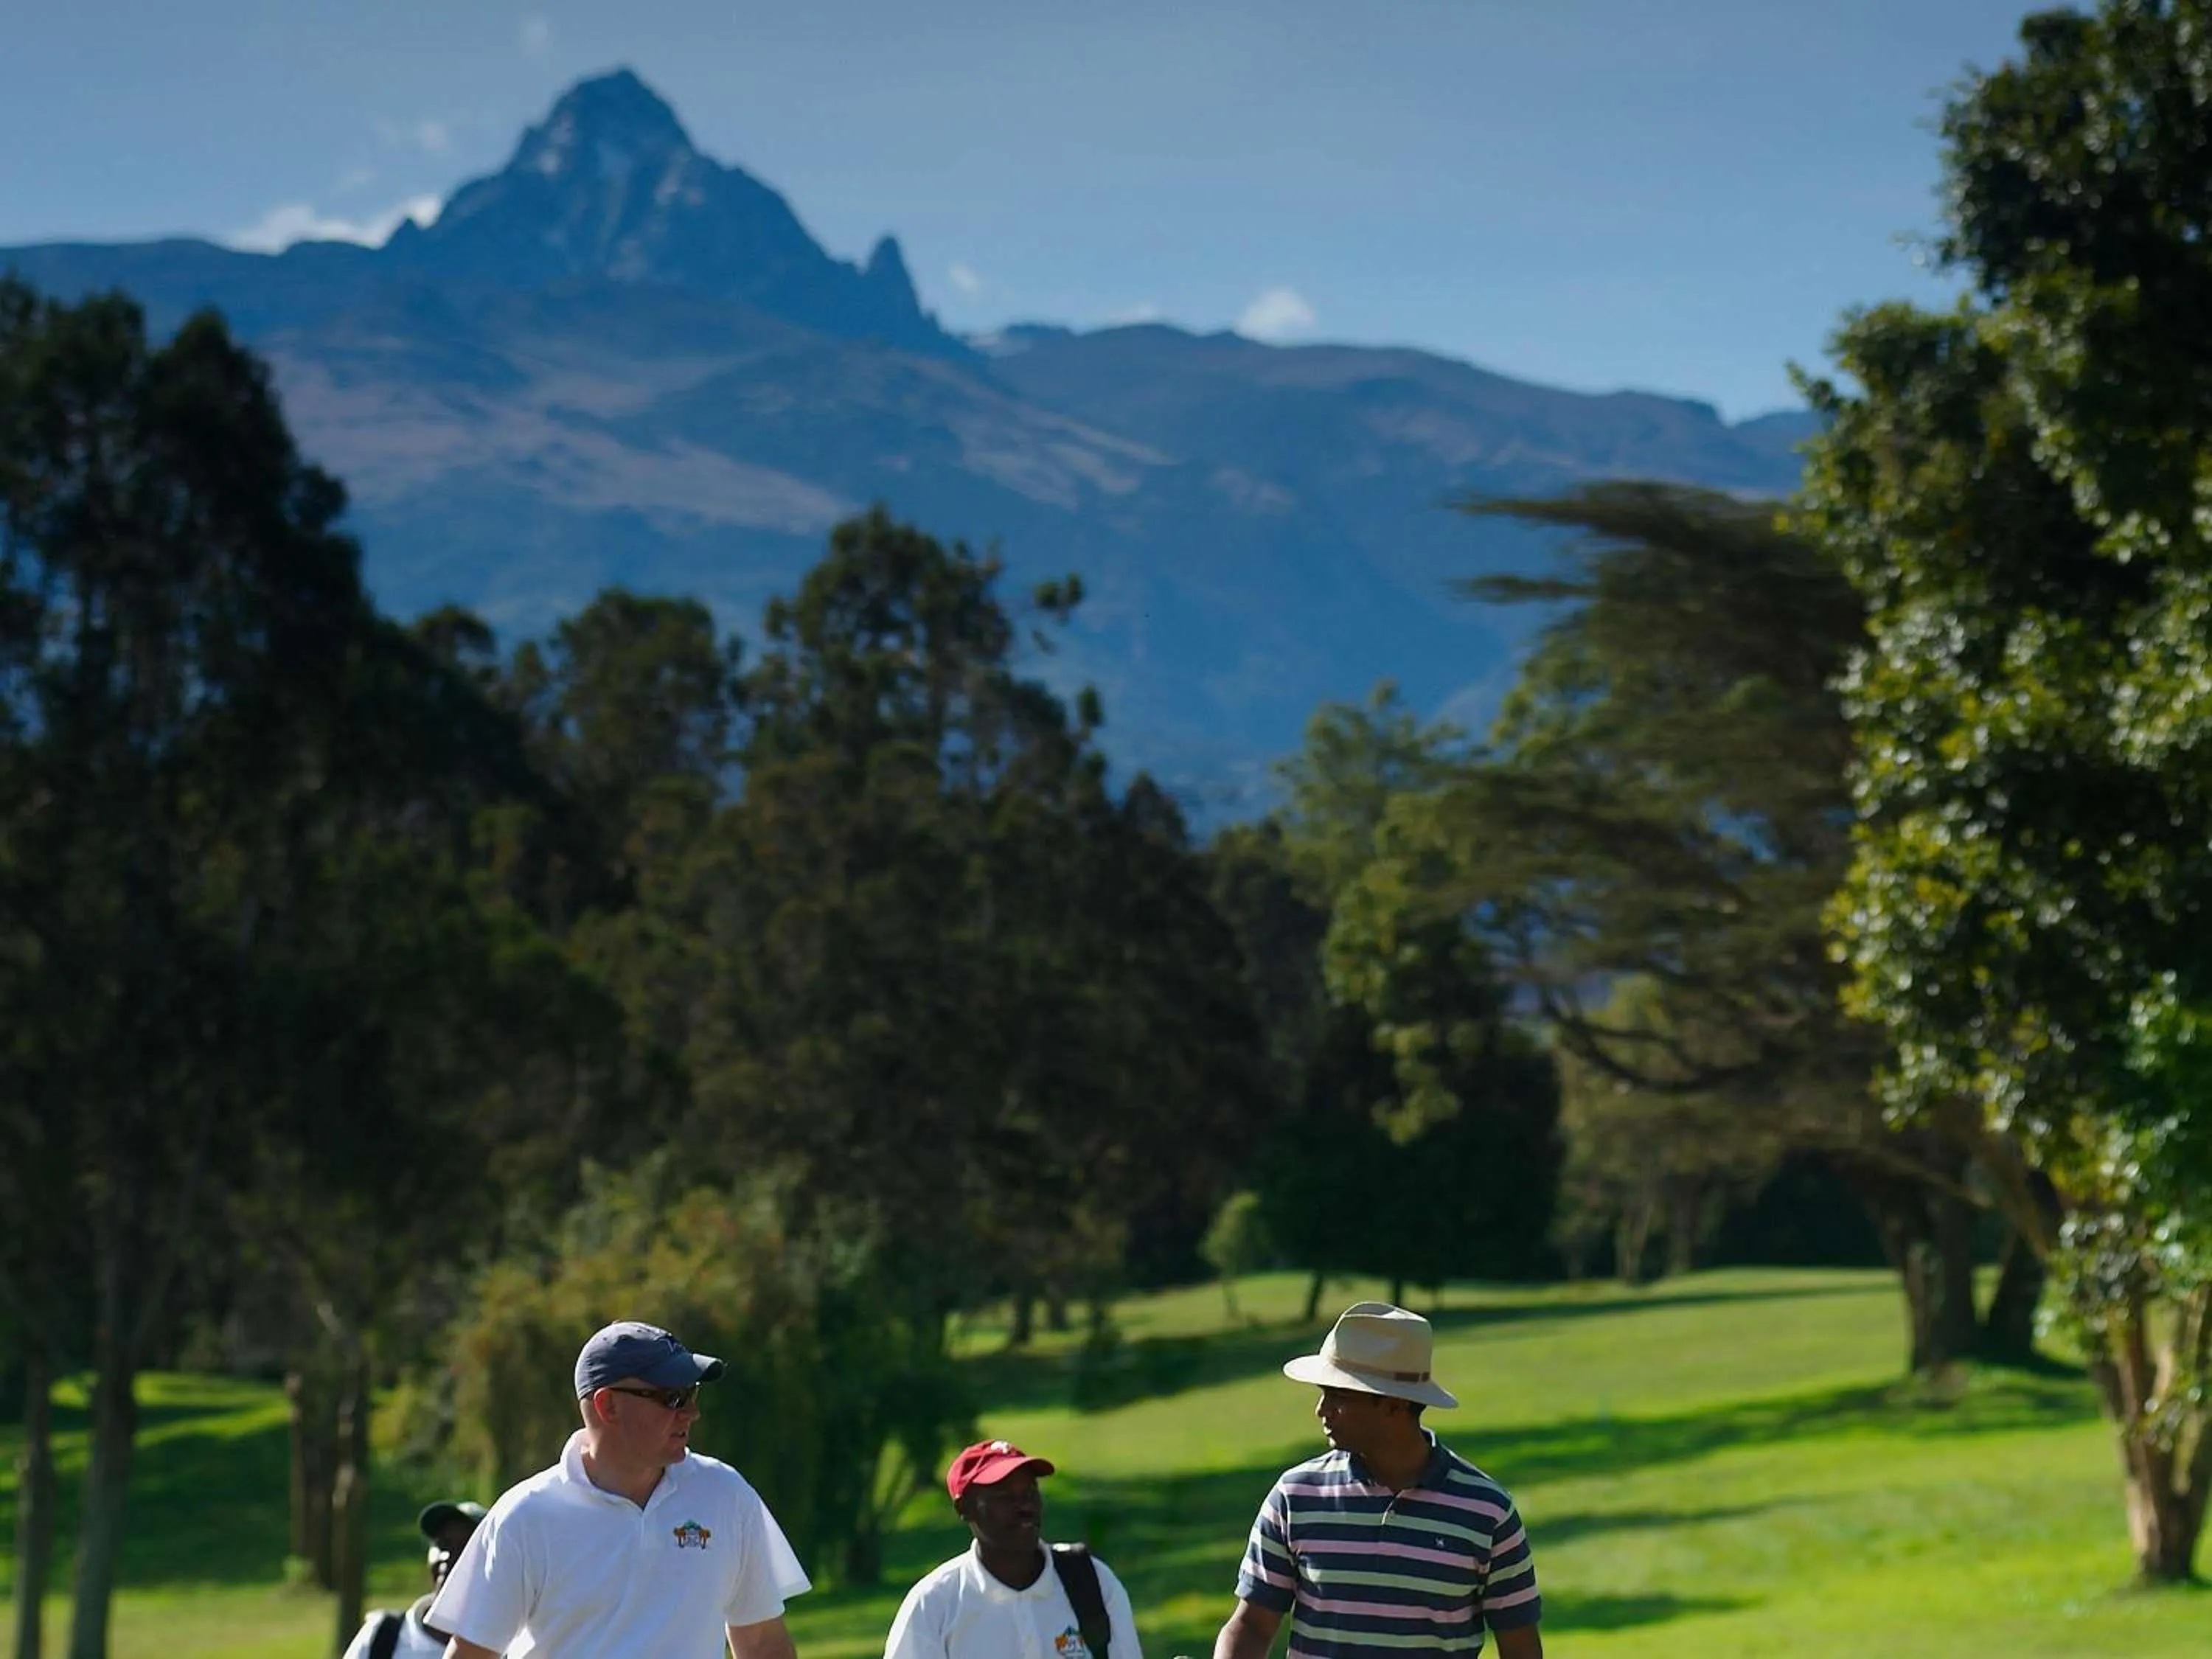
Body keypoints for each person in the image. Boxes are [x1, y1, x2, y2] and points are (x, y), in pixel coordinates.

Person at [428, 1320, 812, 1658]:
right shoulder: (524, 1517)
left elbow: (763, 1645)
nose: (691, 1413)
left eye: (692, 1394)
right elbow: (472, 1655)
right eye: (673, 1398)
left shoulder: (726, 1495)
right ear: (608, 1406)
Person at [1211, 1302, 1543, 1659]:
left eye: (1339, 1395)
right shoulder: (1295, 1497)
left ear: (1395, 1405)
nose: (1321, 1409)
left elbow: (1520, 1646)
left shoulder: (1488, 1511)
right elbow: (1252, 1625)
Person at [883, 1439, 1142, 1659]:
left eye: (1030, 1493)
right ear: (965, 1509)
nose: (1025, 1507)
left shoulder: (1092, 1580)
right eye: (1004, 1497)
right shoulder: (934, 1604)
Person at [339, 1499, 486, 1659]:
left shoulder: (507, 1644)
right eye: (443, 1544)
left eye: (465, 1548)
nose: (449, 1556)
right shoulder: (385, 1636)